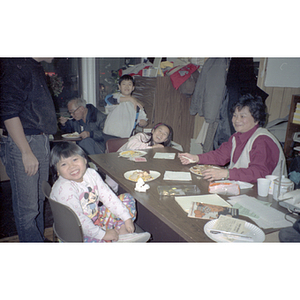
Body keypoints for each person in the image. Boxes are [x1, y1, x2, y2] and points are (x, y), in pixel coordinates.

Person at [0, 57, 57, 242]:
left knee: (38, 204)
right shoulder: (15, 63)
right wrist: (25, 151)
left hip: (39, 140)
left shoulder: (34, 66)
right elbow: (8, 112)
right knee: (27, 210)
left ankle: (38, 240)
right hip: (26, 142)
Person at [49, 141, 151, 242]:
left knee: (127, 198)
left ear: (85, 160)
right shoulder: (64, 188)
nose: (72, 166)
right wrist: (102, 234)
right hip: (76, 232)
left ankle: (123, 234)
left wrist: (126, 219)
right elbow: (78, 219)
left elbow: (108, 196)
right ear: (57, 171)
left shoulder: (91, 174)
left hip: (95, 219)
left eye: (75, 159)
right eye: (63, 164)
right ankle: (116, 238)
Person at [179, 94, 287, 183]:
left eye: (242, 116)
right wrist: (195, 158)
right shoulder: (237, 136)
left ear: (257, 119)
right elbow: (220, 155)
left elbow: (260, 173)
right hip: (244, 187)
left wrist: (226, 173)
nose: (236, 120)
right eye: (235, 115)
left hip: (266, 195)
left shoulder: (263, 140)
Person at [106, 123, 173, 192]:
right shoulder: (141, 136)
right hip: (118, 163)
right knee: (111, 184)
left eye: (165, 134)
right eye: (159, 131)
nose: (161, 134)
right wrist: (151, 148)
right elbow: (131, 146)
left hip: (134, 168)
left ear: (166, 139)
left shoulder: (161, 149)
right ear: (153, 131)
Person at [102, 75, 148, 141]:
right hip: (110, 135)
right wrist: (129, 98)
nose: (127, 86)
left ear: (133, 88)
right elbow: (107, 100)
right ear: (119, 86)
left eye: (129, 84)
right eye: (124, 84)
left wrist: (144, 122)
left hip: (126, 137)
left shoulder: (136, 104)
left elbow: (143, 118)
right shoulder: (115, 97)